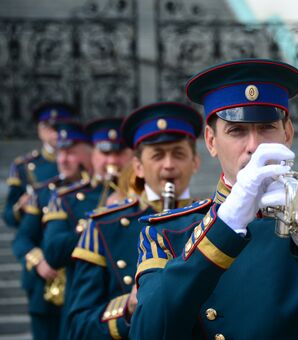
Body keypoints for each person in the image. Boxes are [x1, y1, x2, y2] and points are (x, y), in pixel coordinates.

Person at [130, 59, 298, 339]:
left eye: (267, 127)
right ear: (210, 141)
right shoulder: (166, 232)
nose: (254, 146)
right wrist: (225, 226)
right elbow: (147, 332)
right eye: (237, 131)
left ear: (288, 133)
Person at [68, 102, 202, 339]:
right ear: (138, 166)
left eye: (179, 154)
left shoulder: (216, 220)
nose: (169, 165)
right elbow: (78, 326)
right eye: (157, 155)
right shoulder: (103, 226)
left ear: (195, 162)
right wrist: (127, 308)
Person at [40, 117, 133, 340]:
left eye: (119, 153)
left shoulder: (145, 199)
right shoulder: (66, 198)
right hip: (90, 307)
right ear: (93, 155)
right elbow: (53, 252)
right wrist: (103, 222)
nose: (112, 161)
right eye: (105, 153)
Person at [11, 120, 93, 340]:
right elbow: (23, 239)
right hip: (47, 291)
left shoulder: (101, 194)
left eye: (71, 153)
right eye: (60, 153)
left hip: (84, 289)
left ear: (88, 154)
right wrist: (39, 261)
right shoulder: (43, 194)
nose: (63, 159)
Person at [3, 102, 76, 228]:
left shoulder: (83, 161)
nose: (56, 133)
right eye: (49, 127)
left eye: (61, 127)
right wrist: (21, 207)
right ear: (39, 130)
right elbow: (8, 215)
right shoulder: (24, 166)